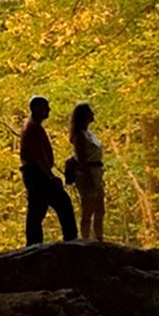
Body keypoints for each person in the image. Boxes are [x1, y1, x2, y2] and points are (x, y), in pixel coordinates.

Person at [19, 95, 76, 245]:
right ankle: (70, 241)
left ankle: (33, 244)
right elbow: (38, 157)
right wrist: (50, 176)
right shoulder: (33, 128)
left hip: (34, 174)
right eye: (46, 107)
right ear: (37, 108)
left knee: (37, 210)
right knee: (62, 203)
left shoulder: (33, 127)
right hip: (37, 174)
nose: (49, 110)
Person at [65, 102, 105, 241]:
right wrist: (89, 178)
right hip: (87, 174)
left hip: (97, 172)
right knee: (88, 209)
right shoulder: (79, 136)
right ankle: (86, 239)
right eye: (90, 112)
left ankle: (99, 238)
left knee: (100, 209)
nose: (93, 115)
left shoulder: (89, 134)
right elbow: (82, 160)